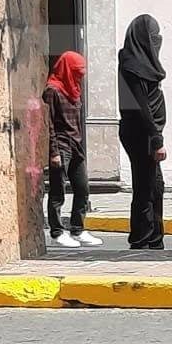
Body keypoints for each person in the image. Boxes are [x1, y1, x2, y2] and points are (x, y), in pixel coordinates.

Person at [118, 15, 168, 250]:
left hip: (146, 133)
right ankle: (142, 238)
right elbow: (140, 107)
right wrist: (156, 140)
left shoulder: (141, 64)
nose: (157, 42)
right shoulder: (132, 66)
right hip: (140, 134)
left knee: (154, 185)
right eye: (153, 37)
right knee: (147, 185)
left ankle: (153, 237)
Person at [44, 51, 103, 248]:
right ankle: (57, 231)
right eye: (77, 72)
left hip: (75, 145)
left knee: (82, 188)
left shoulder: (74, 90)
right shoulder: (53, 91)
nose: (80, 76)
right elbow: (49, 124)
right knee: (58, 190)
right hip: (61, 145)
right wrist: (53, 152)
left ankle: (77, 228)